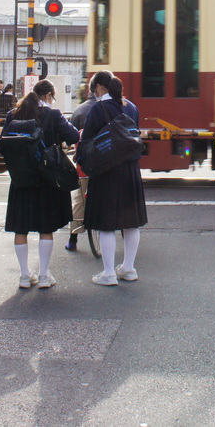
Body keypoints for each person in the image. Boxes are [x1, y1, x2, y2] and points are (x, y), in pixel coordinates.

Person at [1, 80, 79, 289]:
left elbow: (2, 147)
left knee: (21, 229)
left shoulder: (13, 115)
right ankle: (44, 275)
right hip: (47, 180)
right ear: (48, 96)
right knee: (46, 228)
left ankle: (25, 276)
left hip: (21, 179)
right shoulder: (53, 115)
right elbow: (73, 136)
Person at [79, 70, 147, 286]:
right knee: (131, 222)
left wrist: (81, 160)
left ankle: (109, 273)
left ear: (99, 88)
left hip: (106, 171)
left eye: (94, 90)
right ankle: (128, 268)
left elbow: (86, 141)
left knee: (106, 224)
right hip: (130, 170)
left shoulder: (98, 109)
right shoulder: (132, 107)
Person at [64, 88, 98, 251]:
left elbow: (70, 136)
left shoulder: (79, 110)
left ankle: (73, 238)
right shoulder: (106, 109)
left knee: (79, 200)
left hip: (83, 166)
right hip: (102, 166)